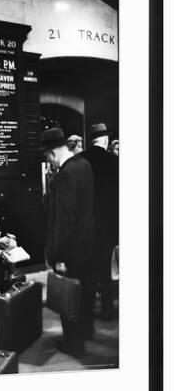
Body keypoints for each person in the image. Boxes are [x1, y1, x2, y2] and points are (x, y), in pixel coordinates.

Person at [40, 127, 95, 355]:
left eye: (46, 157)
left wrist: (58, 256)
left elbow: (64, 221)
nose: (48, 162)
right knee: (83, 296)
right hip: (87, 245)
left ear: (52, 153)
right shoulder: (84, 165)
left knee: (69, 298)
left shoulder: (66, 174)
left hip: (71, 251)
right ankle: (84, 333)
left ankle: (74, 344)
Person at [81, 123, 119, 320]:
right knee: (105, 268)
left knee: (88, 271)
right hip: (109, 225)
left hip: (87, 226)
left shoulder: (82, 160)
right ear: (105, 141)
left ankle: (86, 314)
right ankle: (107, 310)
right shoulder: (115, 162)